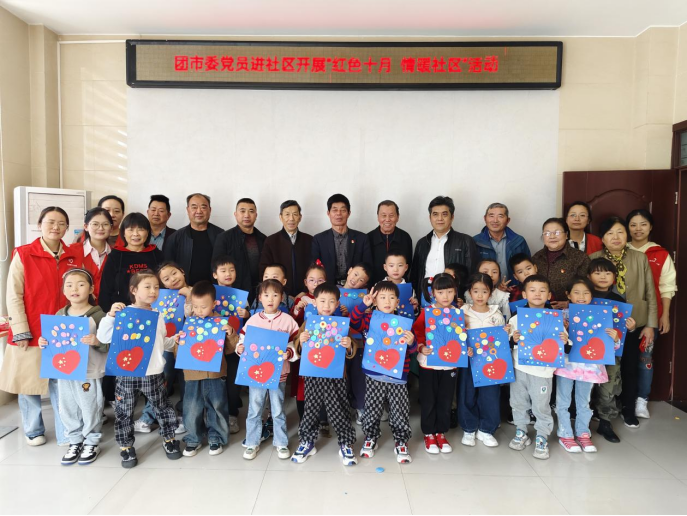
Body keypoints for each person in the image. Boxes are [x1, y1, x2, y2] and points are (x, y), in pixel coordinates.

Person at [0, 207, 83, 447]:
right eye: (50, 222)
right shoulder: (24, 254)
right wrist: (20, 329)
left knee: (62, 383)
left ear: (67, 227)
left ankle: (66, 431)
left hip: (63, 328)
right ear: (40, 224)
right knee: (28, 384)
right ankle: (33, 430)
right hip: (32, 327)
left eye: (61, 223)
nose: (55, 227)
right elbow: (13, 295)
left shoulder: (74, 255)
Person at [97, 270, 182, 469]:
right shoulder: (122, 313)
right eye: (147, 287)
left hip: (153, 372)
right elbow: (103, 337)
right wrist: (110, 316)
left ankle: (169, 439)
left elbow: (161, 342)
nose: (153, 291)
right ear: (133, 290)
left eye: (156, 287)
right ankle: (126, 446)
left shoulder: (158, 315)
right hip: (127, 372)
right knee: (124, 411)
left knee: (162, 407)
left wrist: (174, 341)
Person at [555, 277, 635, 454]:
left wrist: (616, 339)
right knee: (563, 401)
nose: (581, 296)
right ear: (568, 295)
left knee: (584, 402)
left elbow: (609, 348)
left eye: (586, 293)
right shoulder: (561, 316)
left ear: (592, 296)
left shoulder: (602, 317)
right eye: (576, 292)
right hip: (566, 366)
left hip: (589, 368)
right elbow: (552, 344)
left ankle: (583, 432)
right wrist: (562, 332)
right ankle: (565, 434)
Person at [591, 217, 657, 430]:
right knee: (601, 368)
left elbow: (650, 292)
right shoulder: (594, 258)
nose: (615, 237)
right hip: (601, 327)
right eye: (610, 233)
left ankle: (628, 408)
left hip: (633, 323)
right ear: (602, 238)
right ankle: (599, 409)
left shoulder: (639, 258)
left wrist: (650, 324)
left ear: (626, 235)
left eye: (620, 232)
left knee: (629, 367)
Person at [38, 269, 107, 465]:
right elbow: (54, 340)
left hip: (89, 371)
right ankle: (75, 440)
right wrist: (44, 342)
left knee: (90, 406)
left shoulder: (99, 316)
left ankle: (91, 442)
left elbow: (110, 344)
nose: (74, 289)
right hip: (65, 371)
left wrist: (97, 341)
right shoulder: (60, 314)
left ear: (91, 289)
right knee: (67, 406)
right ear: (63, 290)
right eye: (69, 285)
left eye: (81, 284)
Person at [292, 283, 358, 466]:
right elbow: (298, 346)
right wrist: (301, 341)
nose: (327, 305)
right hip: (313, 375)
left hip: (336, 376)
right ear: (315, 302)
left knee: (339, 410)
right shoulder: (309, 323)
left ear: (337, 304)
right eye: (322, 301)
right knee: (310, 410)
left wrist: (348, 345)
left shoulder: (342, 324)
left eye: (331, 301)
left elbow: (352, 348)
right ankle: (307, 441)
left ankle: (346, 443)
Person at [351, 282, 417, 464]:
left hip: (398, 377)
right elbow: (354, 322)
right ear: (375, 301)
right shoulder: (368, 318)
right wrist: (363, 305)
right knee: (372, 409)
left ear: (398, 302)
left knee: (399, 410)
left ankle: (401, 441)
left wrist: (411, 342)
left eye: (391, 297)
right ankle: (370, 437)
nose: (387, 301)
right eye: (382, 297)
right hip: (374, 374)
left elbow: (412, 350)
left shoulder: (405, 323)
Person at [238, 279, 300, 461]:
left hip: (278, 374)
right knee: (255, 408)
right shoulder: (253, 320)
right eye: (266, 295)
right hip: (255, 374)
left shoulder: (288, 321)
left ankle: (281, 442)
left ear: (282, 297)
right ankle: (252, 442)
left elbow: (296, 345)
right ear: (259, 298)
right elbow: (243, 341)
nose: (270, 299)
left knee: (278, 409)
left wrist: (290, 352)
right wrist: (240, 348)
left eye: (275, 295)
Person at [508, 275, 567, 461]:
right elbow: (507, 344)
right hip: (520, 368)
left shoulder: (555, 319)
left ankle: (542, 436)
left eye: (542, 290)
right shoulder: (516, 318)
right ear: (524, 294)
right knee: (518, 402)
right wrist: (513, 340)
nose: (537, 294)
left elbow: (565, 346)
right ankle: (521, 431)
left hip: (543, 372)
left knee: (541, 405)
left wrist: (565, 341)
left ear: (549, 295)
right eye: (532, 290)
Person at [627, 209, 677, 419]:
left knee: (645, 358)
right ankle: (623, 400)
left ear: (651, 227)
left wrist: (664, 316)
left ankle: (642, 400)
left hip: (649, 317)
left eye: (643, 224)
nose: (638, 229)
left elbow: (667, 287)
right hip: (623, 316)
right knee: (622, 360)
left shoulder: (660, 254)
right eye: (633, 225)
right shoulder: (621, 250)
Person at [179, 281, 238, 458]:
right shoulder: (189, 323)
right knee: (191, 407)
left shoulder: (221, 322)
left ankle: (216, 437)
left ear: (214, 304)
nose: (198, 311)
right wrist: (178, 342)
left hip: (215, 373)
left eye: (203, 307)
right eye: (195, 306)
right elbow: (179, 352)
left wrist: (231, 334)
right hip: (192, 374)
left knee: (217, 406)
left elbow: (231, 350)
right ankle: (193, 438)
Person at [134, 262, 192, 436]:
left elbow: (197, 314)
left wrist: (190, 296)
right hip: (167, 343)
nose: (172, 279)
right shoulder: (160, 297)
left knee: (186, 381)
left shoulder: (195, 291)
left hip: (189, 345)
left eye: (174, 273)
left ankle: (183, 415)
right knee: (162, 379)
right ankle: (148, 417)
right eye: (166, 279)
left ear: (182, 271)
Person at [413, 273, 460, 455]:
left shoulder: (458, 313)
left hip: (450, 364)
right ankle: (429, 433)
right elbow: (417, 332)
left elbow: (462, 336)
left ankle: (441, 432)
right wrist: (421, 346)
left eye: (449, 291)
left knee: (445, 399)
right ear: (433, 294)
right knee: (429, 399)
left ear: (455, 292)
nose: (445, 296)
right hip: (429, 364)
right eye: (440, 292)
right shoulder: (427, 312)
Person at [587, 258, 632, 443]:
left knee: (609, 385)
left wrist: (631, 327)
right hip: (586, 353)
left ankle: (605, 422)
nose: (603, 277)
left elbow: (622, 328)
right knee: (585, 386)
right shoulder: (584, 296)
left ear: (614, 277)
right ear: (589, 276)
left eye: (607, 273)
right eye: (597, 273)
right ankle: (582, 422)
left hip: (611, 353)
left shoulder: (618, 300)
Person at [461, 273, 507, 448]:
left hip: (490, 362)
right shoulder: (462, 312)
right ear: (469, 292)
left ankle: (486, 429)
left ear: (491, 293)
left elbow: (501, 341)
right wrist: (464, 347)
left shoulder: (496, 314)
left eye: (484, 291)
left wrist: (506, 332)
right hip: (469, 361)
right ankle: (469, 428)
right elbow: (456, 337)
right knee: (467, 394)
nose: (480, 295)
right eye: (475, 291)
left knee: (490, 396)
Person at [411, 196, 479, 298]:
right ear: (430, 218)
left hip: (453, 297)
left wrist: (463, 298)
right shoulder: (422, 243)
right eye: (435, 214)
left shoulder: (466, 241)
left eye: (444, 214)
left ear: (452, 217)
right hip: (426, 296)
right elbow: (415, 275)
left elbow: (472, 275)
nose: (440, 219)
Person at [212, 256, 250, 435]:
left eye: (232, 270)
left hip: (234, 344)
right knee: (215, 381)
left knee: (233, 380)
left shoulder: (241, 296)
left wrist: (247, 314)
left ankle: (232, 414)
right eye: (223, 271)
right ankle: (216, 415)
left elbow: (248, 321)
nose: (228, 274)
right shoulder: (210, 293)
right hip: (213, 344)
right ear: (215, 274)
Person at [311, 194, 373, 287]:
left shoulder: (362, 239)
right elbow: (314, 268)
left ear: (349, 213)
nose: (338, 214)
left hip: (354, 288)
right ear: (328, 213)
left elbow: (368, 268)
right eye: (334, 210)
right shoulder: (319, 240)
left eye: (343, 210)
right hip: (327, 288)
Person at [165, 193, 224, 286]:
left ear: (210, 210)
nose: (199, 211)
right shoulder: (175, 238)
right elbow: (167, 268)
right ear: (187, 210)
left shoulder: (221, 235)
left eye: (203, 207)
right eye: (194, 207)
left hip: (216, 290)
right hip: (184, 290)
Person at [531, 218, 590, 308]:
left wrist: (569, 304)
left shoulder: (580, 258)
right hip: (540, 309)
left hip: (571, 310)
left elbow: (587, 287)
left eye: (557, 232)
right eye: (547, 233)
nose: (552, 236)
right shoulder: (536, 257)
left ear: (566, 235)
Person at [259, 200, 313, 298]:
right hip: (279, 296)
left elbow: (314, 269)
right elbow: (264, 271)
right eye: (287, 214)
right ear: (281, 217)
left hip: (305, 295)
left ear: (300, 217)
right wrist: (282, 293)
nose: (291, 218)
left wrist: (305, 291)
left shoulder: (310, 240)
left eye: (295, 214)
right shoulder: (271, 241)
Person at [213, 198, 266, 296]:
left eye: (251, 211)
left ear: (256, 215)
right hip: (234, 292)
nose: (247, 215)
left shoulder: (263, 239)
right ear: (235, 214)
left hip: (259, 292)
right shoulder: (224, 238)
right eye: (242, 211)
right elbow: (217, 267)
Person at [473, 203, 531, 284]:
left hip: (514, 289)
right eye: (491, 216)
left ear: (508, 220)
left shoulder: (519, 241)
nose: (495, 220)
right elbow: (471, 271)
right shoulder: (475, 241)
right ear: (485, 218)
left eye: (500, 216)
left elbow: (528, 268)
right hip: (485, 290)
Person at [367, 201, 413, 284]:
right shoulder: (368, 238)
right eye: (383, 215)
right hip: (374, 286)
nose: (387, 220)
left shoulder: (405, 237)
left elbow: (408, 263)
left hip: (399, 286)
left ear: (397, 217)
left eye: (391, 216)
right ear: (378, 217)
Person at [80, 207, 113, 304]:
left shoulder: (116, 254)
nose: (101, 228)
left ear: (111, 228)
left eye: (105, 224)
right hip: (81, 308)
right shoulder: (73, 252)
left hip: (110, 309)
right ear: (86, 226)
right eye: (95, 224)